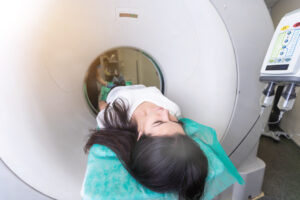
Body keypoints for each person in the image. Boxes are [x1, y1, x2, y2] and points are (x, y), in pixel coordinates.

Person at [84, 85, 208, 200]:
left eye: (158, 122)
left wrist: (102, 102)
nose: (165, 112)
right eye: (175, 122)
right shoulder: (173, 110)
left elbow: (103, 108)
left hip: (114, 92)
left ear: (140, 135)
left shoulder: (114, 118)